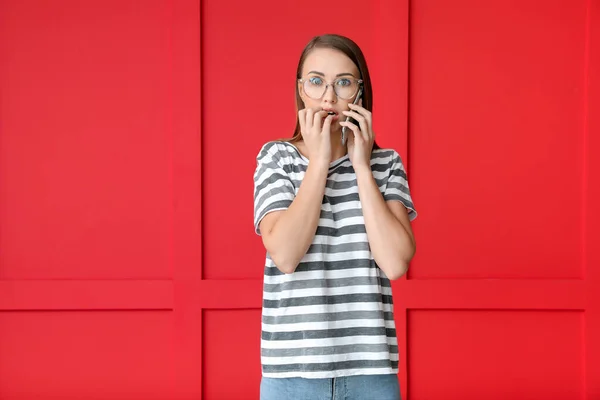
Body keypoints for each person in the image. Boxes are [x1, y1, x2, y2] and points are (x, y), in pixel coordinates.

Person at [253, 33, 418, 400]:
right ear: (301, 89)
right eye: (316, 82)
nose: (329, 97)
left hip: (370, 373)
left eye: (343, 83)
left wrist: (361, 166)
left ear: (360, 92)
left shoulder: (386, 164)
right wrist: (321, 161)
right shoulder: (276, 158)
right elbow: (285, 253)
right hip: (292, 374)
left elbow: (394, 263)